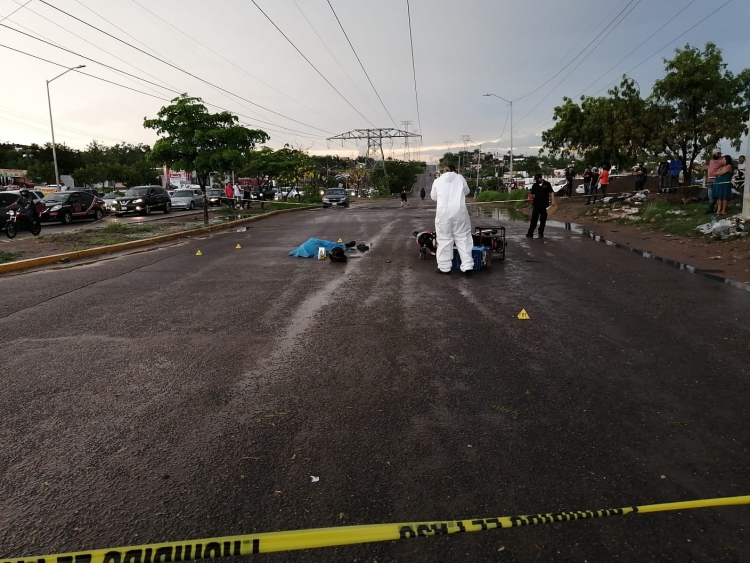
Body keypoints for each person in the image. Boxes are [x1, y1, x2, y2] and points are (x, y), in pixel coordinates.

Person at [430, 164, 473, 275]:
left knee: (444, 239)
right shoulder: (460, 178)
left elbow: (433, 197)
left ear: (443, 171)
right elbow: (467, 191)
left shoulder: (437, 181)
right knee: (463, 238)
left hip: (443, 214)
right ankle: (467, 265)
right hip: (459, 212)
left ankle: (444, 267)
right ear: (455, 170)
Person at [526, 174, 555, 239]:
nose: (537, 180)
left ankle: (541, 232)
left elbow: (551, 192)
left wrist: (553, 200)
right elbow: (532, 194)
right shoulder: (535, 185)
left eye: (538, 179)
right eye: (536, 179)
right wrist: (530, 197)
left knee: (543, 219)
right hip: (536, 204)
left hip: (544, 205)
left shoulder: (547, 184)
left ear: (541, 178)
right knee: (534, 219)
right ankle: (530, 233)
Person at [705, 148, 723, 213]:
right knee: (710, 196)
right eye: (717, 153)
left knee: (717, 196)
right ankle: (710, 209)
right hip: (709, 180)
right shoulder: (711, 161)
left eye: (719, 154)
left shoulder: (722, 161)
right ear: (713, 154)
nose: (719, 155)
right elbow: (709, 169)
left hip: (716, 180)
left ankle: (717, 209)